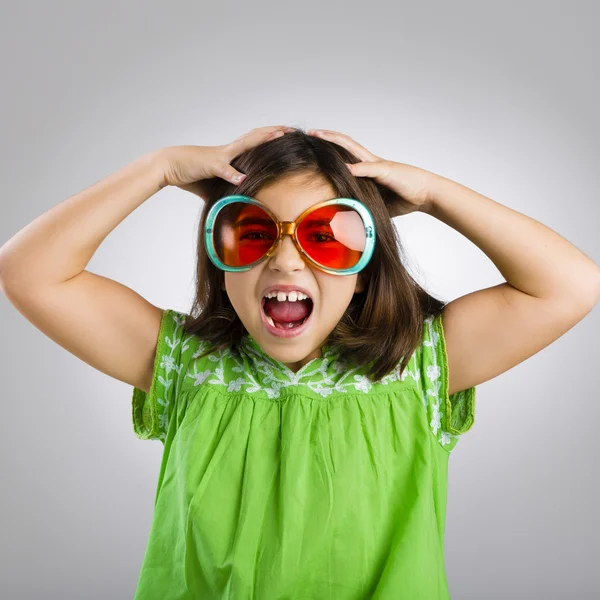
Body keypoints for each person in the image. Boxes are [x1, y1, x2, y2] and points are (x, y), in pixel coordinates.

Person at [1, 126, 598, 599]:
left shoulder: (419, 367)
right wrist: (159, 167)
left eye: (326, 236)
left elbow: (569, 285)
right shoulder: (187, 364)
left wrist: (433, 193)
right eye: (252, 234)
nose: (286, 263)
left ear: (364, 273)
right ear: (222, 266)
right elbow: (27, 271)